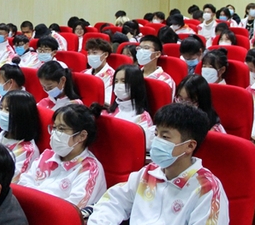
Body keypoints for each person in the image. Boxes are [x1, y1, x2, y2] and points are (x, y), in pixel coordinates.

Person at [87, 103, 229, 225]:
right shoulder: (149, 172)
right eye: (156, 134)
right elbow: (113, 201)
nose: (156, 141)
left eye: (165, 137)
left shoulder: (207, 189)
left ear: (189, 146)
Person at [19, 104, 107, 208]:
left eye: (61, 129)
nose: (54, 133)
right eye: (54, 127)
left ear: (82, 136)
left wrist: (35, 198)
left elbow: (71, 209)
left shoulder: (90, 169)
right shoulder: (47, 155)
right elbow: (23, 182)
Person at [92, 65, 154, 149]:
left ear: (135, 85)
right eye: (116, 81)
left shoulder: (142, 118)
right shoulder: (107, 111)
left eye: (123, 81)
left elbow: (139, 147)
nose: (118, 85)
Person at [0, 90, 40, 182]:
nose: (1, 113)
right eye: (1, 108)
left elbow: (12, 181)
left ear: (22, 115)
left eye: (7, 110)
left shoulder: (27, 151)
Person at [83, 38, 114, 104]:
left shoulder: (112, 76)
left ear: (105, 55)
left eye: (94, 53)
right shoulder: (84, 73)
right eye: (88, 53)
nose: (90, 56)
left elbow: (107, 101)